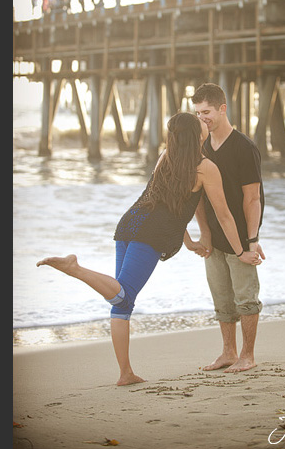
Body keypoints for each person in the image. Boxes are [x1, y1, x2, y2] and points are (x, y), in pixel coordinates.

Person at [37, 112, 260, 386]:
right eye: (199, 121)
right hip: (149, 233)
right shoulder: (205, 167)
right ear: (195, 134)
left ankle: (125, 373)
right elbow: (223, 215)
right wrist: (241, 252)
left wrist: (188, 240)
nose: (204, 122)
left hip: (129, 223)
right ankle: (76, 268)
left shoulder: (166, 156)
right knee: (122, 296)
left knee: (122, 305)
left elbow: (166, 202)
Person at [191, 83, 266, 374]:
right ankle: (228, 353)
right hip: (214, 238)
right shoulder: (203, 147)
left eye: (206, 112)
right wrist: (203, 233)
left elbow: (253, 199)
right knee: (222, 300)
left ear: (223, 108)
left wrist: (252, 241)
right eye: (198, 113)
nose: (202, 118)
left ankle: (248, 355)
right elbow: (197, 196)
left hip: (239, 238)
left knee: (246, 298)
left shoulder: (244, 147)